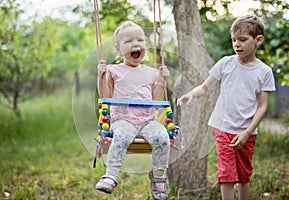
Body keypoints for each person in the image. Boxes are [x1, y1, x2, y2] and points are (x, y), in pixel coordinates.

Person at [177, 15, 276, 200]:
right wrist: (191, 94)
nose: (237, 44)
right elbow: (206, 86)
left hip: (247, 132)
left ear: (258, 40)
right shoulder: (226, 63)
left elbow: (263, 106)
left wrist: (247, 132)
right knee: (227, 174)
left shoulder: (264, 72)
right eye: (234, 40)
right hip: (222, 127)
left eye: (243, 40)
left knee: (244, 175)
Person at [95, 21, 170, 200]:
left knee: (163, 139)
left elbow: (155, 98)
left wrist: (162, 80)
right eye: (128, 41)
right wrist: (101, 77)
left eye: (140, 40)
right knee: (120, 137)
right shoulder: (113, 70)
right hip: (123, 120)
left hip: (148, 121)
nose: (136, 44)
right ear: (118, 49)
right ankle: (111, 176)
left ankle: (158, 177)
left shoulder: (151, 72)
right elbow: (106, 95)